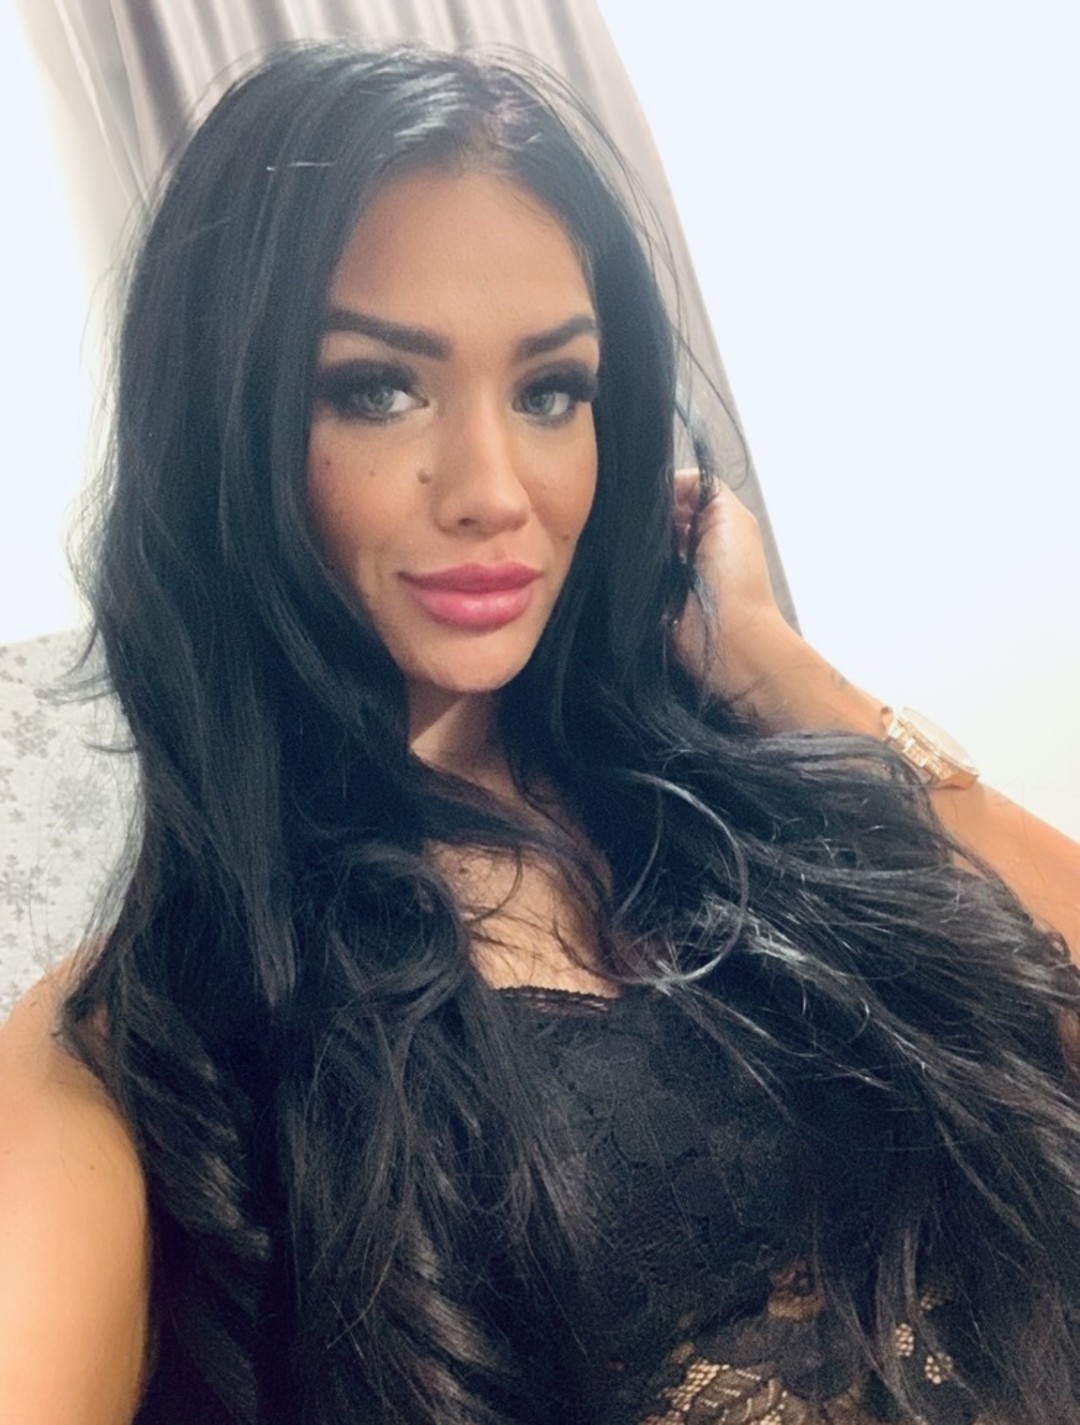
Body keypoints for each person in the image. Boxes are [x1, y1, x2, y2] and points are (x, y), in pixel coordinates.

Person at [0, 41, 1078, 1425]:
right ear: (223, 429)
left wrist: (776, 666)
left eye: (551, 391)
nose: (495, 489)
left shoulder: (745, 808)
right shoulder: (144, 1050)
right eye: (377, 388)